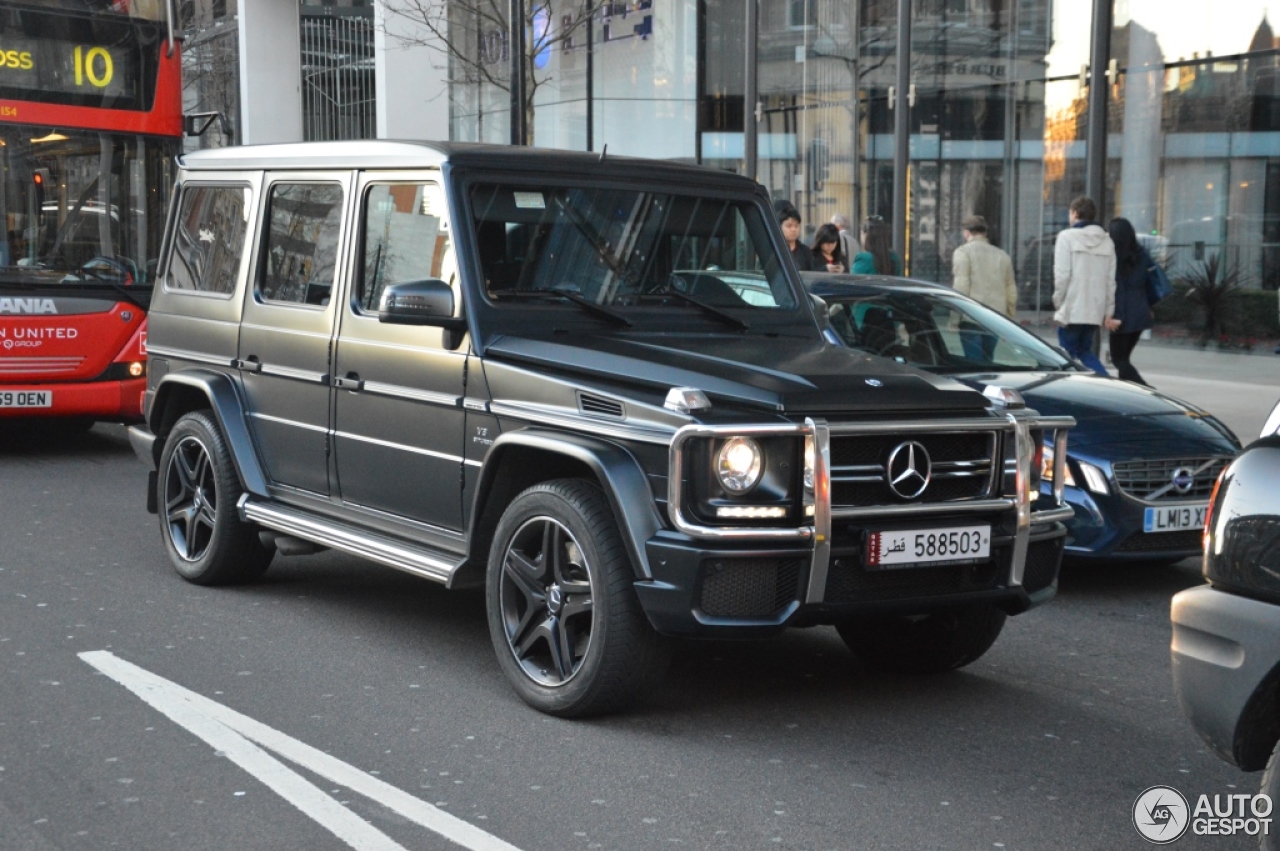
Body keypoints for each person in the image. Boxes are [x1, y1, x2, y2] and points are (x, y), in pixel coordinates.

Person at [1053, 196, 1117, 376]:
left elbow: (1062, 275)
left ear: (1075, 213)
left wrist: (1058, 301)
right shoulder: (1107, 241)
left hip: (1072, 306)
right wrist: (1108, 311)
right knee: (1084, 351)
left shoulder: (1066, 237)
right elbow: (1110, 281)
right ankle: (1105, 382)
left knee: (1065, 356)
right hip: (1094, 309)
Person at [1107, 217, 1155, 385]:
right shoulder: (1141, 254)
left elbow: (1119, 288)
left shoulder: (1116, 258)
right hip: (1141, 312)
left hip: (1125, 314)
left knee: (1118, 359)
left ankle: (1147, 389)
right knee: (1124, 359)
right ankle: (1128, 389)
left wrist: (1117, 316)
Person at [778, 205, 820, 271]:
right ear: (779, 227)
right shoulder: (774, 250)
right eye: (789, 226)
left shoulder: (806, 252)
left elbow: (812, 275)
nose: (793, 229)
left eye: (796, 226)